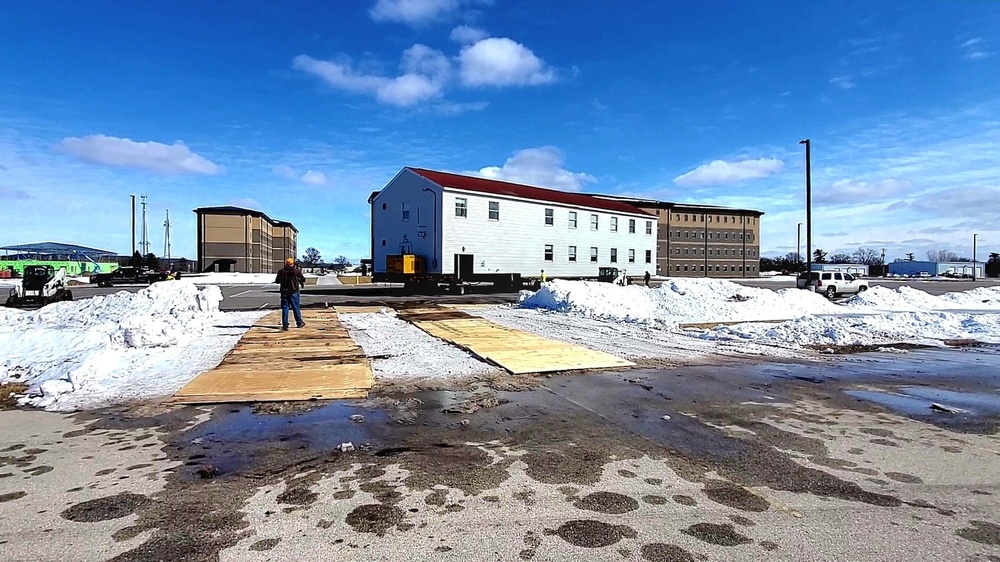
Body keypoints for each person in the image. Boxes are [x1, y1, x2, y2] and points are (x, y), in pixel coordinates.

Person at [275, 257, 306, 331]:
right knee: (295, 307)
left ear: (286, 264)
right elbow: (303, 279)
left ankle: (285, 325)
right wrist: (298, 280)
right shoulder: (296, 271)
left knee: (285, 308)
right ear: (292, 264)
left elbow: (277, 281)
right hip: (294, 291)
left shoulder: (281, 271)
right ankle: (299, 322)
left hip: (284, 292)